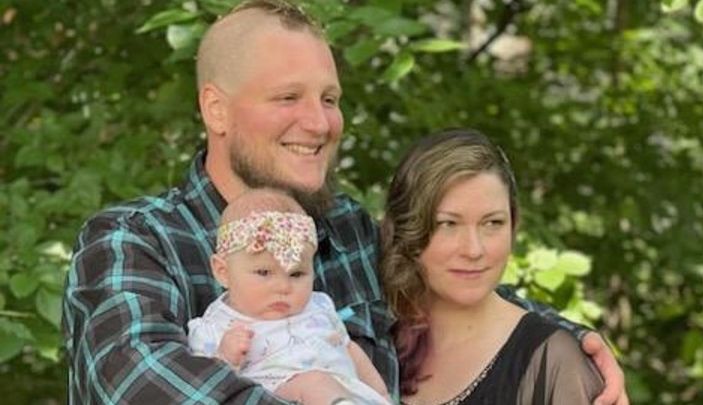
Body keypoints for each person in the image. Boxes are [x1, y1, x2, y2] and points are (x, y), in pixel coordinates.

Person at [62, 0, 627, 403]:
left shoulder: (345, 230)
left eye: (329, 98)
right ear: (216, 109)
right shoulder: (136, 241)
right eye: (289, 96)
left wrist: (565, 335)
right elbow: (139, 384)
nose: (319, 122)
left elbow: (446, 285)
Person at [382, 129, 605, 404]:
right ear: (405, 228)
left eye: (492, 223)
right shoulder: (371, 338)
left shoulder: (554, 362)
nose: (474, 250)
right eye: (448, 224)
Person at [187, 188, 390, 404]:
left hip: (348, 395)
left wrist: (383, 395)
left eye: (296, 274)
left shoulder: (319, 307)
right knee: (314, 383)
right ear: (223, 272)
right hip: (280, 396)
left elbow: (349, 349)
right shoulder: (215, 327)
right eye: (264, 272)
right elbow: (208, 387)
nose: (283, 287)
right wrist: (224, 357)